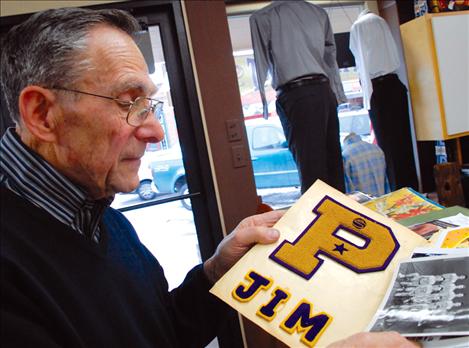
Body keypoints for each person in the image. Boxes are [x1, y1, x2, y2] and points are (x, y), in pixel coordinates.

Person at [0, 7, 418, 348]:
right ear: (42, 114)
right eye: (129, 102)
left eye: (150, 104)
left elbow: (163, 332)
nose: (155, 131)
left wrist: (217, 271)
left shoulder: (100, 214)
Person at [250, 0, 346, 194]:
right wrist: (337, 95)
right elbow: (330, 58)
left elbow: (260, 61)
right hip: (325, 92)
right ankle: (339, 221)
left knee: (312, 170)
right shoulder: (318, 12)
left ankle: (320, 223)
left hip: (297, 95)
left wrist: (264, 104)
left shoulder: (262, 17)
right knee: (333, 165)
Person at [349, 10, 418, 192]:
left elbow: (359, 57)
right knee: (404, 141)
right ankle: (411, 188)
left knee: (387, 146)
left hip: (376, 88)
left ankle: (398, 191)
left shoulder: (357, 26)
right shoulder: (380, 21)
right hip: (395, 83)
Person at [342, 132, 390, 197]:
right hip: (381, 201)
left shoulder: (346, 155)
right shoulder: (377, 149)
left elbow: (349, 188)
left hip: (363, 204)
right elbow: (386, 180)